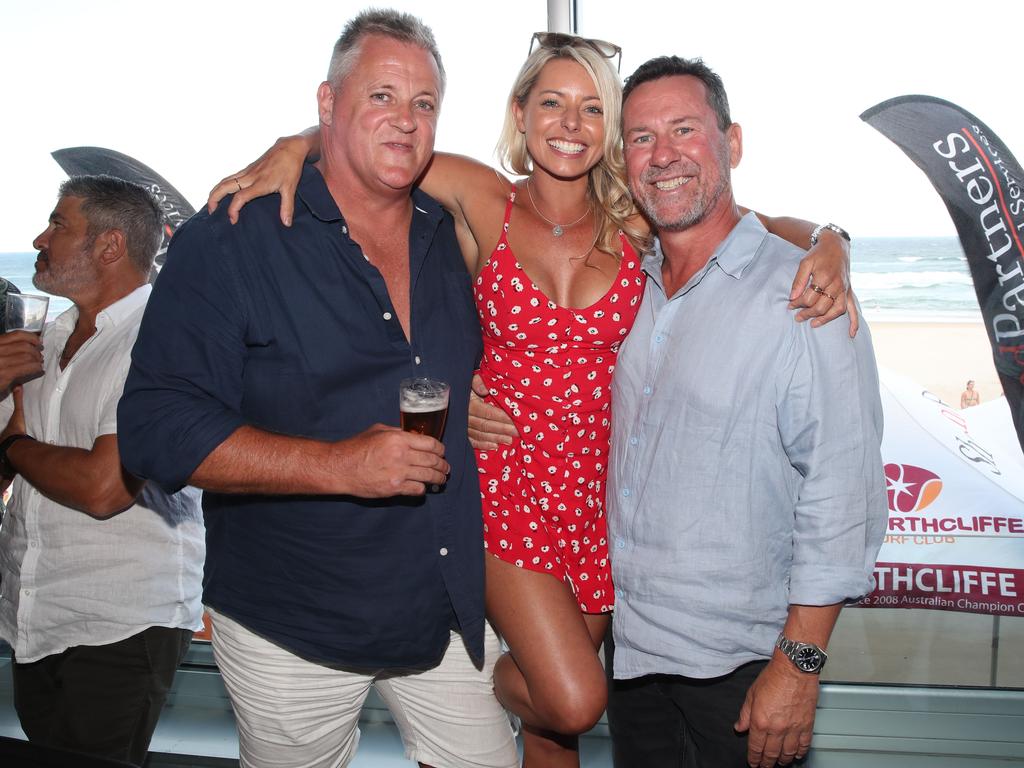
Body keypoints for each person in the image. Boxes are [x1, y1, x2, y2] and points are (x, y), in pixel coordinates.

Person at [210, 29, 857, 768]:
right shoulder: (479, 196)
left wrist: (832, 242)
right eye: (551, 103)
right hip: (506, 484)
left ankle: (483, 696)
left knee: (559, 733)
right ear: (521, 113)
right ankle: (466, 685)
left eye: (590, 109)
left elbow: (755, 226)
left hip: (599, 500)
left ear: (608, 128)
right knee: (574, 694)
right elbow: (369, 144)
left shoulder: (634, 224)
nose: (570, 124)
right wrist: (295, 145)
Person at [117, 11, 518, 768]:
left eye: (424, 103)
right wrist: (337, 466)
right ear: (327, 104)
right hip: (292, 622)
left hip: (447, 608)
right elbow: (154, 427)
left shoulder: (451, 236)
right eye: (381, 96)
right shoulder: (232, 237)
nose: (405, 120)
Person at [596, 56, 887, 768]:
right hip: (632, 662)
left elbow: (843, 492)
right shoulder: (624, 289)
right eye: (640, 138)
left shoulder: (804, 296)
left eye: (685, 130)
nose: (662, 155)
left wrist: (799, 665)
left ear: (731, 143)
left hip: (745, 674)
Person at [0, 175, 205, 767]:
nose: (40, 238)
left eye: (58, 225)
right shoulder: (42, 339)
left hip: (120, 621)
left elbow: (103, 487)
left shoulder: (162, 341)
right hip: (32, 613)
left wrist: (14, 446)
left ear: (110, 246)